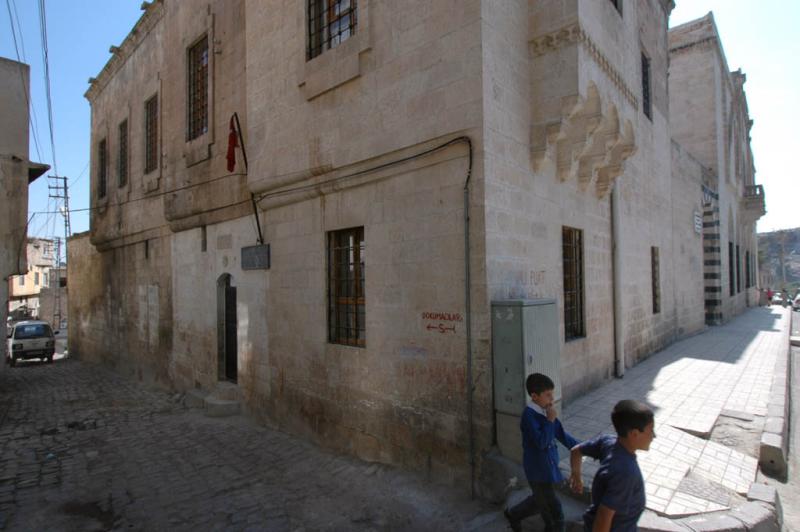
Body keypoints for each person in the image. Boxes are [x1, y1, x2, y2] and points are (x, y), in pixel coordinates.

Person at [504, 373, 580, 532]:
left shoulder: (546, 411)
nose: (552, 399)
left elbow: (561, 434)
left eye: (552, 394)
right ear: (534, 396)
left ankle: (514, 514)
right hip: (537, 470)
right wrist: (550, 420)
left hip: (548, 467)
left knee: (540, 501)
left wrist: (584, 448)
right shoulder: (529, 416)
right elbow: (541, 442)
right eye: (548, 395)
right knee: (554, 509)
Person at [569, 400, 655, 532]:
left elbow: (576, 451)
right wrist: (576, 476)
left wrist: (576, 476)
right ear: (634, 434)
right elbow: (604, 516)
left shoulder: (608, 442)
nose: (654, 436)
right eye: (650, 431)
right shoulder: (625, 472)